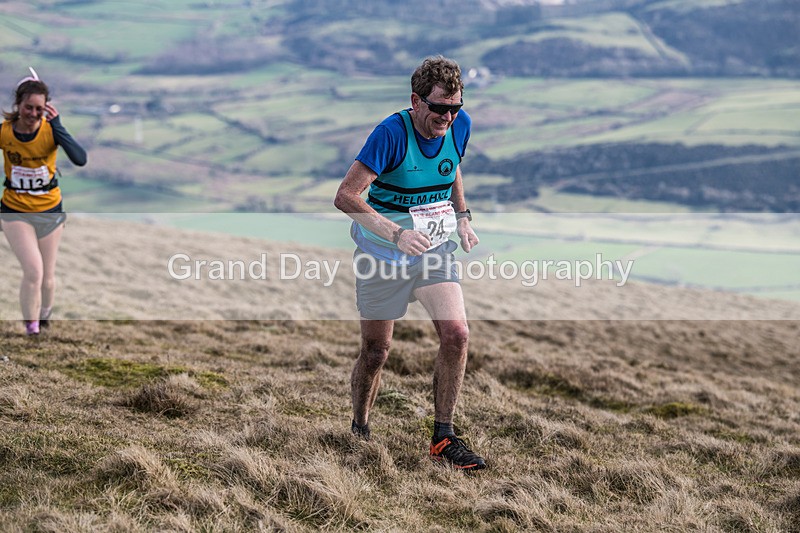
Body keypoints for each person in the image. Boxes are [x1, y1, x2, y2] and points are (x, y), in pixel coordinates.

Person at [334, 56, 485, 470]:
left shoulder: (459, 125)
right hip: (381, 256)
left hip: (432, 252)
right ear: (416, 100)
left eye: (455, 108)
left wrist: (462, 217)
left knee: (456, 333)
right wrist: (397, 234)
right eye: (439, 108)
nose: (448, 117)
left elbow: (451, 167)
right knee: (377, 351)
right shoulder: (391, 134)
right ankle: (360, 426)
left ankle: (443, 437)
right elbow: (346, 196)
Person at [1, 68, 87, 335]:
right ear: (18, 105)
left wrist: (58, 125)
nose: (33, 114)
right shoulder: (4, 132)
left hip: (50, 212)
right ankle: (32, 329)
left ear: (47, 108)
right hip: (14, 211)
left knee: (48, 279)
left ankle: (45, 316)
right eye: (29, 107)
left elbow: (80, 158)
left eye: (40, 109)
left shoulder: (51, 131)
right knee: (34, 271)